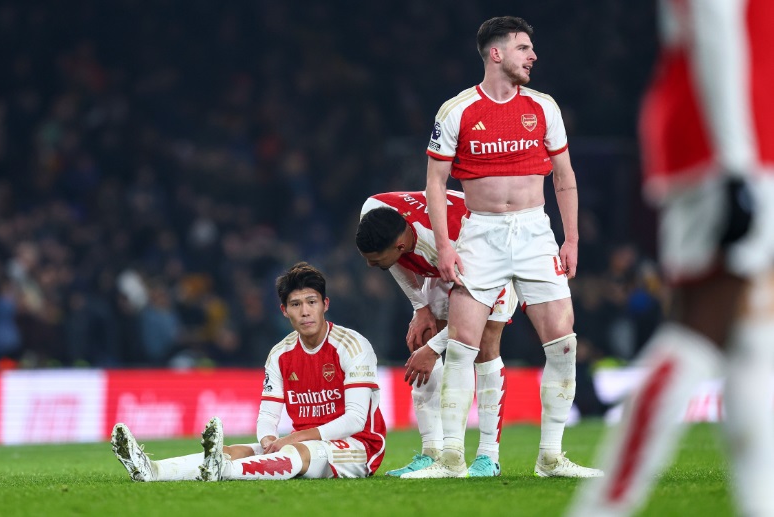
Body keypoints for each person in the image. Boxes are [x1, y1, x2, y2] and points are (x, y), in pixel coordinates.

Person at [567, 0, 774, 515]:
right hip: (725, 144)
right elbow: (714, 23)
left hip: (742, 138)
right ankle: (603, 506)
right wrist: (735, 164)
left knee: (755, 337)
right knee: (701, 324)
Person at [402, 16, 602, 479]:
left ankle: (550, 457)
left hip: (535, 232)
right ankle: (451, 459)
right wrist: (446, 246)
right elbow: (435, 184)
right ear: (496, 54)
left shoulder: (544, 107)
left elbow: (564, 177)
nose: (533, 56)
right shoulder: (457, 110)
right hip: (481, 235)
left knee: (563, 343)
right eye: (523, 48)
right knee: (461, 345)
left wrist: (571, 239)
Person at [111, 262, 387, 481]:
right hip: (304, 442)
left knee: (297, 450)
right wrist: (268, 440)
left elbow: (355, 420)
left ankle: (223, 470)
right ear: (284, 310)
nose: (305, 311)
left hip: (359, 446)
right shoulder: (280, 354)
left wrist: (293, 438)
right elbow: (267, 416)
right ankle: (153, 470)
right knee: (234, 450)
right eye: (296, 304)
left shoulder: (352, 345)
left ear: (325, 304)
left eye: (312, 302)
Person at [357, 190, 517, 477]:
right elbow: (392, 261)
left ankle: (488, 457)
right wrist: (420, 308)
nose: (370, 265)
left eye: (376, 259)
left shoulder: (460, 243)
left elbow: (470, 324)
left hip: (494, 260)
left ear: (400, 244)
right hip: (446, 260)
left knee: (482, 346)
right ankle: (432, 452)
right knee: (422, 337)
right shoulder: (374, 211)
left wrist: (433, 349)